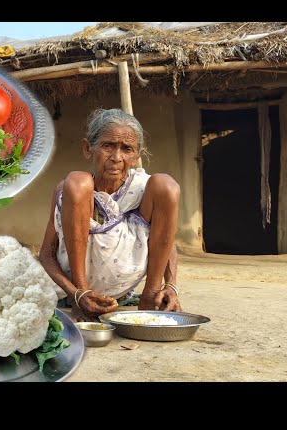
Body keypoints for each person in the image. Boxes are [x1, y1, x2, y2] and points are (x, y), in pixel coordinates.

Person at [39, 108, 182, 322]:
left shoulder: (144, 190)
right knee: (77, 181)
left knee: (166, 185)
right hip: (76, 292)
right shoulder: (70, 190)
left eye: (127, 149)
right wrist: (77, 294)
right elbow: (47, 254)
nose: (116, 158)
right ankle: (83, 291)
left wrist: (170, 285)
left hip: (123, 289)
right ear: (88, 149)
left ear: (137, 156)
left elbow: (165, 239)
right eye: (107, 146)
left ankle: (149, 297)